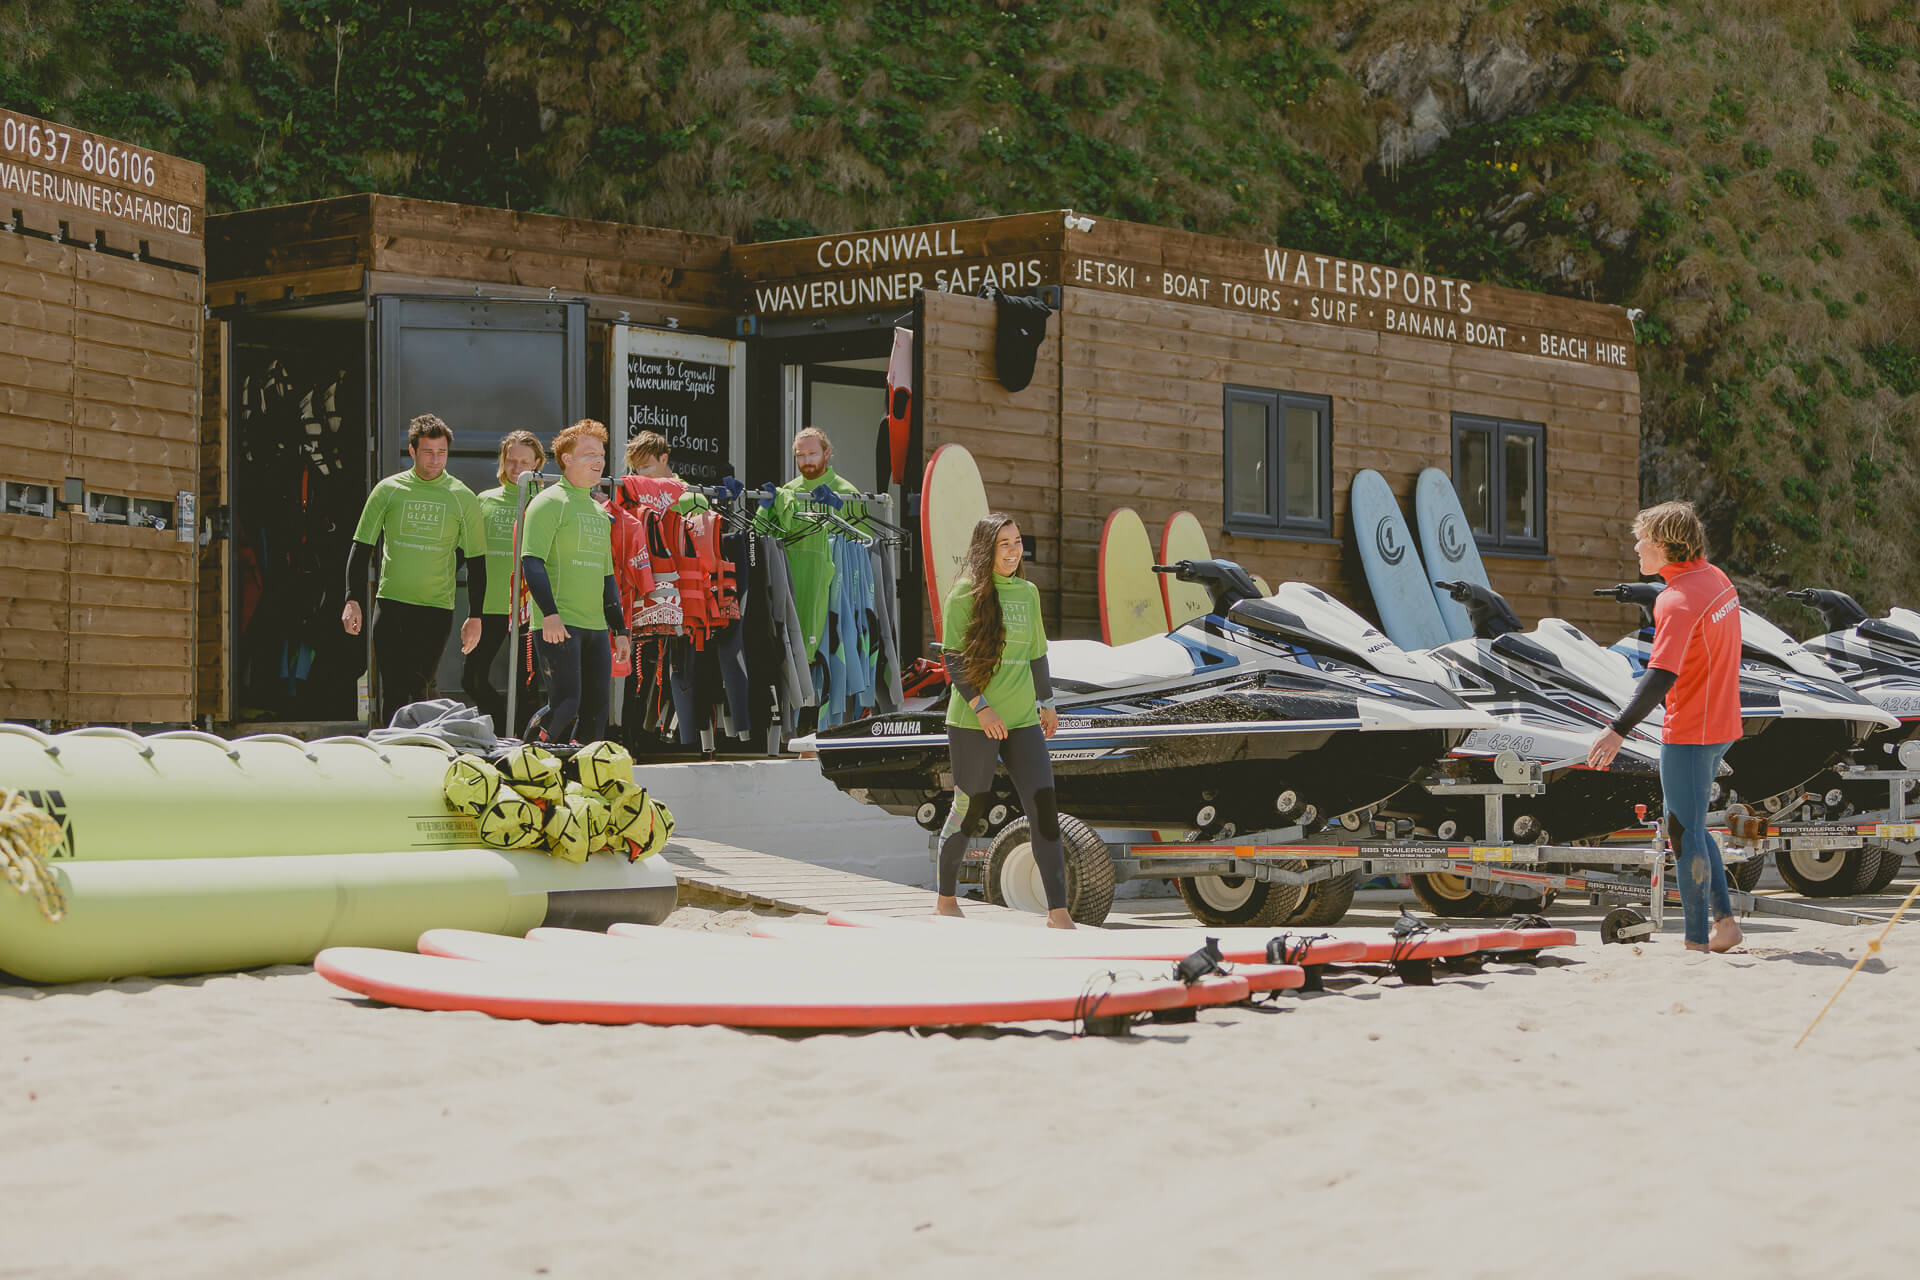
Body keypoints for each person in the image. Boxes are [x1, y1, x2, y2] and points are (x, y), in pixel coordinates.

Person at [1587, 500, 1744, 954]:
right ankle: (1725, 923)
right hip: (1723, 722)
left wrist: (1617, 728)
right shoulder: (1716, 580)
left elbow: (1661, 675)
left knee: (1682, 829)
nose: (1635, 547)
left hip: (1692, 728)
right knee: (1693, 823)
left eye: (1641, 539)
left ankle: (1696, 940)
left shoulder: (1675, 601)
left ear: (1661, 544)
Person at [935, 513, 1072, 928]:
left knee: (1044, 809)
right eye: (1005, 545)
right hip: (974, 720)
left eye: (1018, 543)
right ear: (987, 549)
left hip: (1023, 720)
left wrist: (1046, 702)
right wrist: (982, 707)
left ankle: (1059, 913)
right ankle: (944, 898)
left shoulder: (1028, 593)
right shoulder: (964, 594)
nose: (1014, 552)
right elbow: (953, 659)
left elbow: (1037, 653)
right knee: (968, 808)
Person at [342, 413, 487, 725]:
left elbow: (476, 562)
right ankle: (387, 753)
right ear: (412, 451)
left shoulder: (462, 497)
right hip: (391, 603)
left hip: (434, 608)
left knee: (418, 684)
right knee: (392, 686)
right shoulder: (388, 490)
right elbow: (361, 546)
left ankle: (419, 752)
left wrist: (476, 616)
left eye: (442, 453)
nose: (435, 460)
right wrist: (352, 599)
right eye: (428, 452)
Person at [521, 420, 630, 744]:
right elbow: (532, 561)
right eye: (588, 454)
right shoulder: (548, 502)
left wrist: (620, 630)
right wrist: (549, 614)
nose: (598, 461)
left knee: (596, 711)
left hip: (595, 627)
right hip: (559, 623)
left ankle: (581, 781)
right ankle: (526, 757)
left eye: (601, 454)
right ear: (566, 458)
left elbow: (606, 576)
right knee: (565, 705)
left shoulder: (599, 512)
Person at [461, 430, 545, 733]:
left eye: (524, 461)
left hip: (528, 608)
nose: (516, 467)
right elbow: (467, 551)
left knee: (527, 685)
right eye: (511, 460)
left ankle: (525, 742)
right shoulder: (484, 500)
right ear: (502, 461)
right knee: (471, 679)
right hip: (490, 606)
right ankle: (498, 728)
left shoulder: (543, 502)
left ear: (537, 463)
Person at [768, 427, 866, 664]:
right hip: (793, 588)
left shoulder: (846, 493)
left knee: (833, 659)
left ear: (827, 452)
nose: (807, 461)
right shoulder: (788, 493)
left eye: (812, 454)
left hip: (837, 589)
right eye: (800, 455)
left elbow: (864, 543)